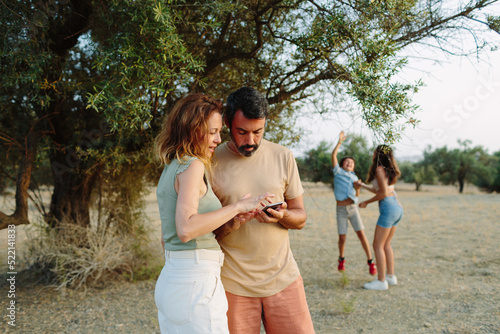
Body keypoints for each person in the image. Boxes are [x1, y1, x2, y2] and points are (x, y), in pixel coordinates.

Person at [154, 93, 272, 333]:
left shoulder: (173, 165)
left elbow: (170, 236)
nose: (218, 139)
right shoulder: (193, 166)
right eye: (212, 132)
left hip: (174, 277)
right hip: (195, 282)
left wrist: (232, 217)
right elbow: (186, 229)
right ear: (191, 129)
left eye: (219, 131)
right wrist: (237, 207)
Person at [211, 87, 315, 334]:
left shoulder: (283, 156)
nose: (251, 141)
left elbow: (300, 217)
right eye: (242, 132)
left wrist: (283, 216)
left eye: (258, 132)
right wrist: (232, 221)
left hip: (284, 280)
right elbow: (201, 228)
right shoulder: (210, 160)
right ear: (227, 122)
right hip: (232, 284)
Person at [358, 145, 403, 291]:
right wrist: (363, 185)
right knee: (386, 244)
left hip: (388, 207)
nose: (372, 154)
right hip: (397, 207)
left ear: (378, 155)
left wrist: (366, 202)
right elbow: (380, 189)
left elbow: (382, 193)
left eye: (374, 152)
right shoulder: (389, 171)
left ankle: (381, 281)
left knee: (377, 245)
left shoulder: (379, 169)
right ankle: (390, 277)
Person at [331, 131, 376, 275]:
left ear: (354, 166)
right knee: (342, 237)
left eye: (352, 162)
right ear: (342, 164)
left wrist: (358, 188)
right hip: (341, 210)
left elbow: (356, 195)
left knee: (361, 235)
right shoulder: (338, 172)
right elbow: (333, 156)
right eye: (347, 161)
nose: (349, 163)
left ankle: (370, 262)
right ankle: (341, 259)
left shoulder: (355, 177)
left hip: (353, 208)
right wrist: (339, 142)